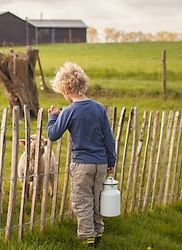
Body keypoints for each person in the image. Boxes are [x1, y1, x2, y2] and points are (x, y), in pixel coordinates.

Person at [46, 62, 117, 248]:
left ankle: (87, 238)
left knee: (82, 200)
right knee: (96, 198)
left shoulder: (69, 111)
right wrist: (112, 160)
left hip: (82, 164)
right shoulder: (99, 108)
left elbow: (53, 134)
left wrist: (53, 117)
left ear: (67, 89)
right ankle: (98, 232)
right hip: (101, 163)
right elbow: (109, 138)